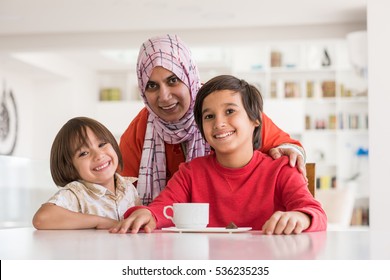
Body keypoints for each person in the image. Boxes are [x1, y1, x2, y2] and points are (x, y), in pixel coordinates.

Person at [110, 75, 327, 235]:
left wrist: (300, 217)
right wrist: (148, 214)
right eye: (209, 116)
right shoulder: (190, 173)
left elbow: (315, 213)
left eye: (230, 111)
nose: (219, 123)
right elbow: (162, 208)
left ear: (255, 119)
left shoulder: (281, 170)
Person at [119, 34, 307, 205]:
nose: (164, 96)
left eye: (173, 80)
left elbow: (285, 145)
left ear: (189, 76)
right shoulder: (141, 129)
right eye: (152, 86)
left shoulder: (223, 108)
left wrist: (289, 153)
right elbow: (123, 191)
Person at [32, 117, 141, 230]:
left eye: (102, 144)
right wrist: (99, 221)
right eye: (84, 153)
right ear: (70, 168)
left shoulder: (129, 187)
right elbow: (42, 219)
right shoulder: (77, 193)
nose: (98, 155)